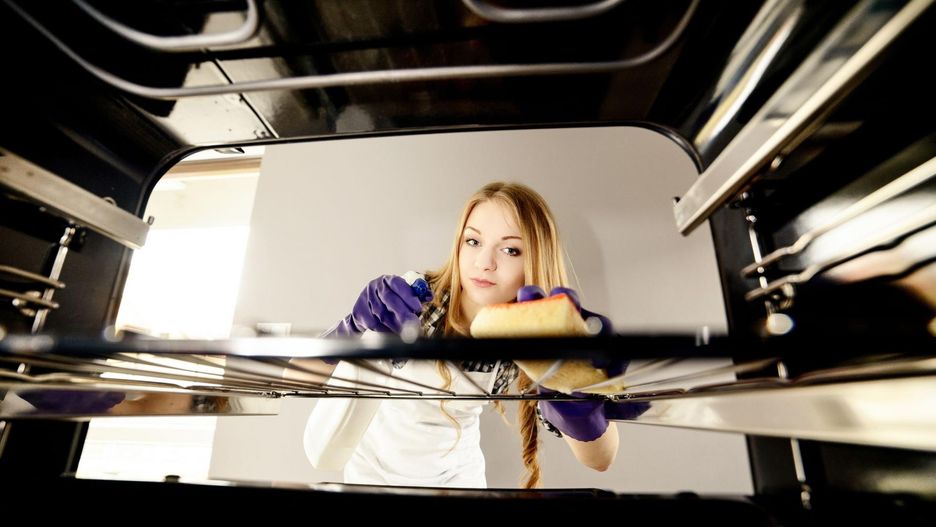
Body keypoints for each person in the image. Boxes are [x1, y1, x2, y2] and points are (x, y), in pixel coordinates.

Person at [308, 181, 633, 488]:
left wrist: (578, 403)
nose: (484, 262)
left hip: (457, 483)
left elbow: (601, 459)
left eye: (510, 250)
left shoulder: (530, 334)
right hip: (370, 478)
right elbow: (298, 376)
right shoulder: (411, 300)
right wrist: (351, 329)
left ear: (535, 262)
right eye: (473, 241)